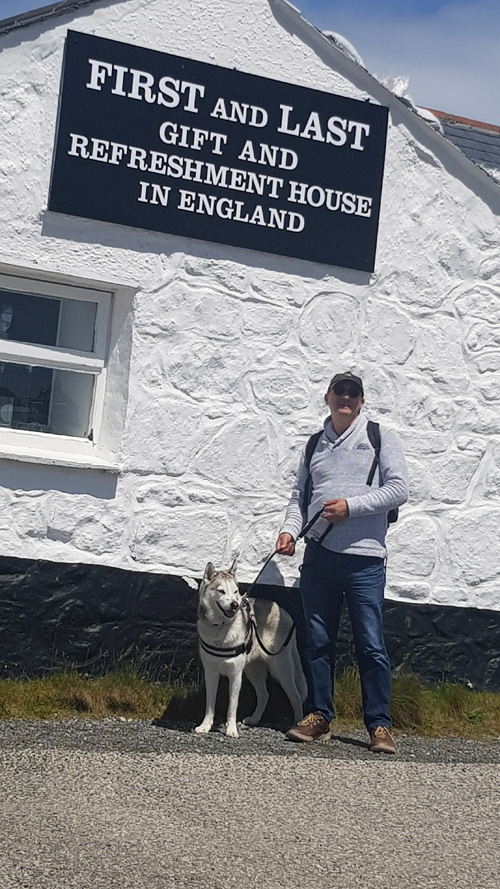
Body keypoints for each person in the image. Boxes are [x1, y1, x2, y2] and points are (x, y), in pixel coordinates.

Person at [276, 372, 408, 753]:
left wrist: (350, 508)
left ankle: (379, 725)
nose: (346, 398)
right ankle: (319, 716)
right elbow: (299, 498)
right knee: (317, 642)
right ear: (327, 397)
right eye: (340, 392)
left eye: (353, 393)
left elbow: (399, 490)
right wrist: (289, 531)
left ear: (362, 402)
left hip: (365, 560)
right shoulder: (315, 443)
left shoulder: (380, 437)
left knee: (370, 644)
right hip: (318, 557)